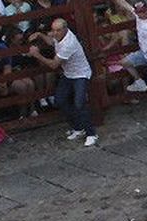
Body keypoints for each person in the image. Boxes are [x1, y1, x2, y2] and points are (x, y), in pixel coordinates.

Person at [29, 17, 98, 145]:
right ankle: (78, 127)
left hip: (80, 74)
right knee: (60, 101)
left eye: (58, 30)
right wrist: (40, 34)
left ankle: (91, 133)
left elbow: (54, 64)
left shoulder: (69, 43)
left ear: (65, 30)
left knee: (79, 103)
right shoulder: (59, 36)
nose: (55, 33)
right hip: (69, 74)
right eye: (53, 30)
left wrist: (37, 55)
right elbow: (51, 41)